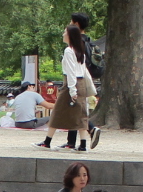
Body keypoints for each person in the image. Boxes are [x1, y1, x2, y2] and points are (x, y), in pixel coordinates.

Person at [41, 14, 99, 150]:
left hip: (72, 84)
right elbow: (83, 70)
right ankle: (83, 144)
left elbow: (71, 72)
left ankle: (47, 142)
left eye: (65, 32)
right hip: (82, 83)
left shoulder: (68, 51)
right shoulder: (80, 50)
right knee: (81, 115)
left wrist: (72, 90)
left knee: (57, 112)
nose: (63, 34)